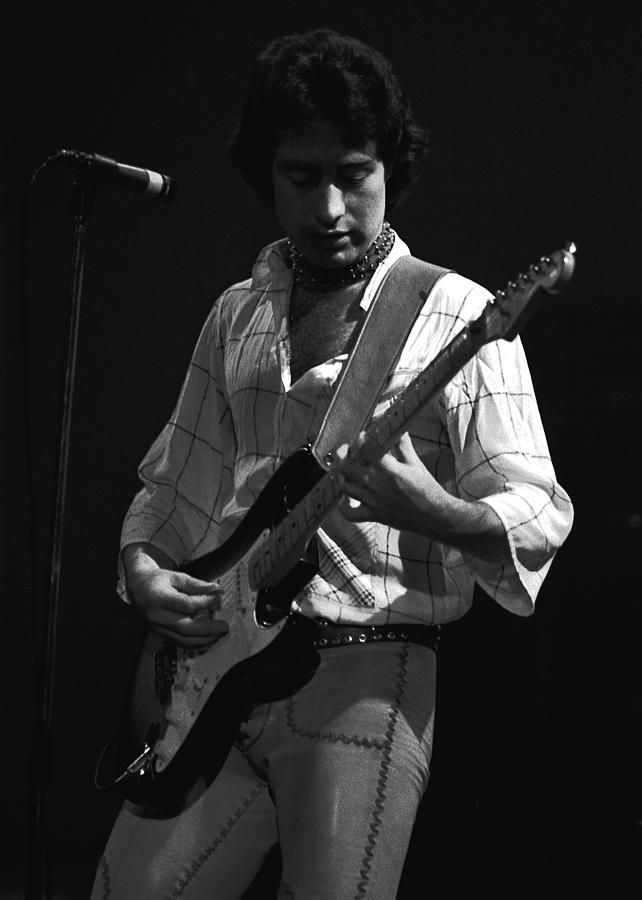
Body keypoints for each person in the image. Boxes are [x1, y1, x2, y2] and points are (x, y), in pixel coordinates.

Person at [89, 28, 573, 899]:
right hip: (212, 684)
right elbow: (172, 492)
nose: (330, 208)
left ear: (389, 165)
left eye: (354, 174)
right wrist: (144, 571)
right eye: (302, 178)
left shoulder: (455, 313)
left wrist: (435, 510)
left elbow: (538, 507)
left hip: (367, 672)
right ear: (265, 177)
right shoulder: (236, 315)